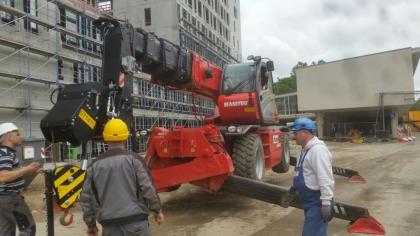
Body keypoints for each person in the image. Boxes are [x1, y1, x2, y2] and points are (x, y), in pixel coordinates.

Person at [80, 118, 164, 236]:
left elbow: (86, 198)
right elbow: (148, 188)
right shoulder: (135, 161)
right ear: (126, 138)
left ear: (105, 138)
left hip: (109, 226)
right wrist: (157, 210)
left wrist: (91, 224)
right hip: (136, 224)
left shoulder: (93, 166)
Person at [291, 117, 334, 236]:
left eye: (295, 132)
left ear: (305, 133)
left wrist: (326, 203)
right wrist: (293, 189)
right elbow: (303, 173)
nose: (293, 136)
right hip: (309, 203)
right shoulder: (303, 151)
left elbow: (325, 178)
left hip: (317, 203)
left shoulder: (318, 151)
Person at [0, 122, 42, 236]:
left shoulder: (4, 153)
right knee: (28, 229)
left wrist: (29, 170)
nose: (21, 136)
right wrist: (26, 168)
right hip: (10, 198)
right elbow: (3, 176)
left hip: (3, 199)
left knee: (6, 231)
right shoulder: (6, 153)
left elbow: (10, 172)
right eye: (18, 134)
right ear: (9, 136)